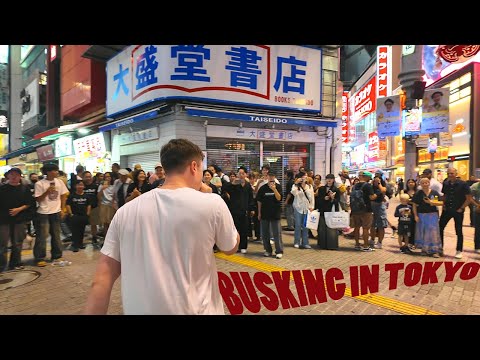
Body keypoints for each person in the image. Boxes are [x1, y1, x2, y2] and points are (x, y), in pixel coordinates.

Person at [84, 138, 239, 315]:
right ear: (194, 166)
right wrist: (211, 198)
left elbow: (101, 280)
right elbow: (230, 247)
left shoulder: (125, 212)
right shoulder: (212, 203)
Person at [34, 163, 70, 267]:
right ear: (48, 172)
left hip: (56, 212)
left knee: (56, 234)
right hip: (43, 213)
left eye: (56, 170)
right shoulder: (40, 184)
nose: (56, 172)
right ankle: (40, 257)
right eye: (54, 170)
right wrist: (47, 192)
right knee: (42, 236)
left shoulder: (59, 182)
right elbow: (38, 199)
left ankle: (57, 255)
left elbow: (64, 195)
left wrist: (63, 208)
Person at [0, 168, 35, 271]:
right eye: (12, 174)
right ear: (8, 176)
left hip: (19, 219)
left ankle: (15, 263)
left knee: (17, 243)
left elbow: (29, 203)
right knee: (2, 244)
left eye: (16, 174)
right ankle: (1, 265)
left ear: (20, 176)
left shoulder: (25, 189)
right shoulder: (2, 189)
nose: (14, 176)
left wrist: (19, 209)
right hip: (3, 220)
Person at [439, 168, 472, 259]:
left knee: (458, 230)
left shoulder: (463, 184)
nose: (450, 175)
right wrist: (443, 205)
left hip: (458, 211)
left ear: (456, 173)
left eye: (452, 173)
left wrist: (461, 208)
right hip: (447, 210)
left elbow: (468, 198)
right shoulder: (446, 183)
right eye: (448, 173)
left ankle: (459, 250)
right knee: (440, 227)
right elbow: (445, 196)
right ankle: (440, 247)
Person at [412, 177, 442, 257]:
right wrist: (415, 215)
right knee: (423, 231)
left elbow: (440, 203)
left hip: (432, 215)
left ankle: (435, 250)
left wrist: (430, 202)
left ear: (429, 183)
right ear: (420, 184)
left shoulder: (434, 192)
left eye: (426, 183)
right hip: (421, 215)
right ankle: (424, 249)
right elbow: (414, 205)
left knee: (433, 232)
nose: (425, 184)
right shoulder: (418, 193)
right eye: (423, 183)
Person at [257, 170, 284, 258]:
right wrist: (259, 213)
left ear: (275, 177)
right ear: (267, 177)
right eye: (269, 176)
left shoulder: (278, 187)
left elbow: (279, 198)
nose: (271, 178)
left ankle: (279, 251)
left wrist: (274, 189)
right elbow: (259, 201)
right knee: (265, 234)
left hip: (275, 213)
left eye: (273, 176)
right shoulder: (263, 188)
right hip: (265, 213)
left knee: (277, 233)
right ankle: (268, 250)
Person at [315, 174, 340, 250]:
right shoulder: (321, 188)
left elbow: (337, 201)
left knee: (331, 228)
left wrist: (332, 198)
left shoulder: (336, 189)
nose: (329, 180)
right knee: (322, 228)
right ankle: (322, 245)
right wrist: (324, 198)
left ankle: (331, 245)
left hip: (331, 211)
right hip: (323, 210)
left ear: (333, 180)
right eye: (327, 178)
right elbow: (318, 200)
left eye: (331, 179)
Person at [290, 171, 315, 249]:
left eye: (306, 176)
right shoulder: (296, 186)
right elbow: (293, 193)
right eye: (304, 176)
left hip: (307, 208)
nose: (305, 178)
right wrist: (296, 183)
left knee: (305, 226)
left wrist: (312, 206)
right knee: (297, 225)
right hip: (298, 207)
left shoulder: (310, 186)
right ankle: (297, 242)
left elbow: (312, 197)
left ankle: (305, 242)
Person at [470, 180, 480, 253]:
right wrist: (477, 205)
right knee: (478, 229)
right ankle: (477, 247)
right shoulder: (475, 186)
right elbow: (469, 197)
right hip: (478, 210)